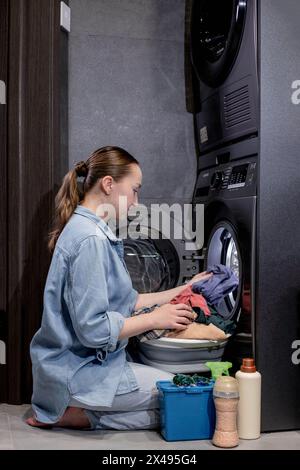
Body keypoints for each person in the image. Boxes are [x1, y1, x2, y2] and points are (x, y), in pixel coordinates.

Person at [26, 146, 212, 431]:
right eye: (135, 190)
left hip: (72, 367)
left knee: (178, 400)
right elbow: (94, 330)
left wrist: (182, 289)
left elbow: (128, 299)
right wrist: (155, 318)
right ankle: (80, 414)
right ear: (109, 184)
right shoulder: (90, 240)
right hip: (76, 373)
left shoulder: (90, 229)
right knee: (183, 397)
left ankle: (78, 413)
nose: (137, 202)